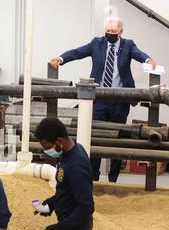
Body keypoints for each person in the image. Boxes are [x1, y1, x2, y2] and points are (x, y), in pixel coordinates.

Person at [34, 118, 150, 230]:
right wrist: (51, 203)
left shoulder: (76, 165)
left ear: (58, 141)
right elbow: (66, 190)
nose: (46, 151)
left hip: (75, 225)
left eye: (47, 147)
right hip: (69, 221)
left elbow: (86, 206)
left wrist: (61, 228)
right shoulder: (69, 154)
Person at [50, 16, 156, 183]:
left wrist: (148, 60)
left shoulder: (128, 45)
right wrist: (60, 59)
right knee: (96, 137)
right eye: (108, 31)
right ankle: (94, 178)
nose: (110, 34)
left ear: (121, 31)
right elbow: (77, 52)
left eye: (114, 31)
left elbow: (139, 54)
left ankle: (113, 179)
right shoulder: (96, 43)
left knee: (118, 140)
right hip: (99, 99)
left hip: (120, 101)